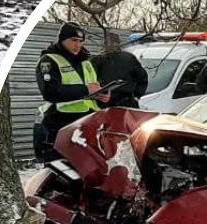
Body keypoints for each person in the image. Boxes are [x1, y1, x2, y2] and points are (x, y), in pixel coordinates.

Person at [34, 23, 110, 162]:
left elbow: (93, 86)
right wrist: (86, 89)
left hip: (88, 123)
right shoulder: (49, 61)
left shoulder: (85, 62)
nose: (78, 45)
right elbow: (50, 91)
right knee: (62, 171)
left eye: (81, 41)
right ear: (62, 40)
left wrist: (102, 96)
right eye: (73, 40)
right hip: (60, 123)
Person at [93, 32, 148, 108]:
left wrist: (137, 95)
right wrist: (137, 95)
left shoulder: (98, 59)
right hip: (120, 101)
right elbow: (142, 77)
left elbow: (142, 77)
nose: (111, 46)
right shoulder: (128, 58)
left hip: (109, 102)